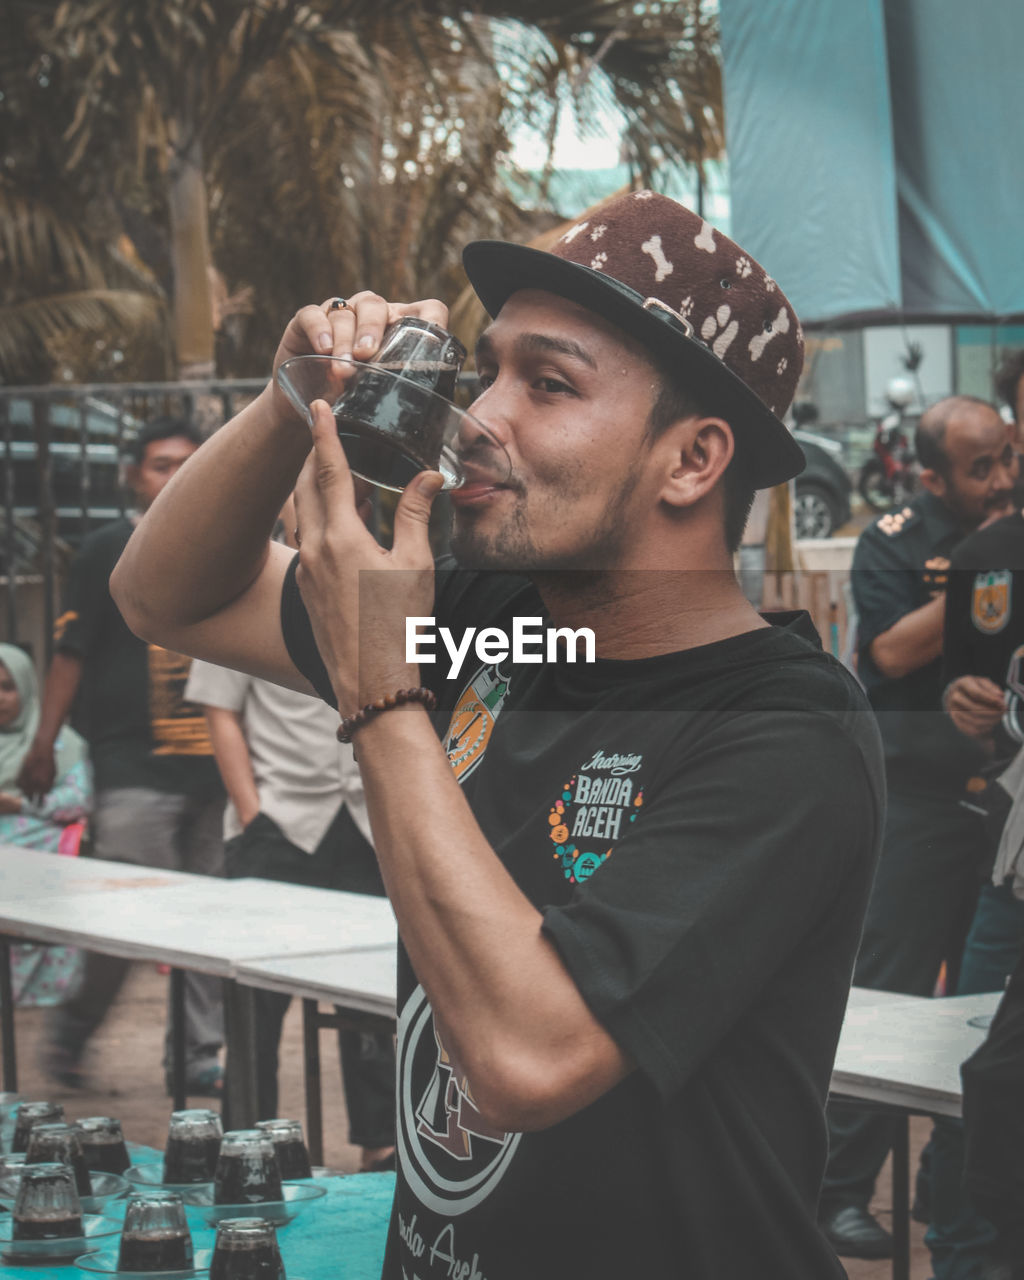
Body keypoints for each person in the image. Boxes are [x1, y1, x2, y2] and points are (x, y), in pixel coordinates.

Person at [109, 191, 884, 1277]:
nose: (480, 416)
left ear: (693, 460)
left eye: (548, 383)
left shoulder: (788, 729)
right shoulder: (489, 613)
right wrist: (292, 401)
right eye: (488, 369)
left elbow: (527, 1055)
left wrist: (382, 694)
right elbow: (164, 596)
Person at [820, 395, 1019, 1259]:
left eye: (1008, 458)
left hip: (1003, 810)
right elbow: (890, 653)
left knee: (981, 1019)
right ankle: (836, 1193)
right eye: (982, 467)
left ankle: (950, 1188)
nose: (1003, 477)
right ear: (932, 473)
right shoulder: (897, 536)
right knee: (891, 995)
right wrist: (990, 571)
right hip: (922, 801)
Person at [185, 496, 396, 1170]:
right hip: (280, 822)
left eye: (350, 493)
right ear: (283, 507)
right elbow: (220, 711)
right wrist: (253, 815)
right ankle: (247, 1149)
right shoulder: (247, 589)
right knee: (256, 1006)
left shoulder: (392, 586)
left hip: (365, 822)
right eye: (311, 490)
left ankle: (381, 1145)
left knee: (371, 1002)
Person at [17, 417, 226, 1095]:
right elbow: (70, 655)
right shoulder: (105, 549)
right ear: (134, 476)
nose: (174, 476)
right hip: (131, 765)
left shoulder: (222, 545)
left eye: (186, 464)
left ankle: (195, 1053)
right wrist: (43, 743)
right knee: (134, 913)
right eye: (161, 464)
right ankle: (77, 1027)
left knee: (209, 918)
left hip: (214, 763)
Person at [921, 499, 1024, 1279]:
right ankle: (959, 1248)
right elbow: (966, 692)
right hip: (1012, 866)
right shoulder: (991, 551)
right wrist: (971, 707)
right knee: (978, 1064)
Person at [0, 642, 91, 1006]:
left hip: (36, 841)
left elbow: (80, 798)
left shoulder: (57, 742)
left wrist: (19, 803)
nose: (0, 698)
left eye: (8, 687)